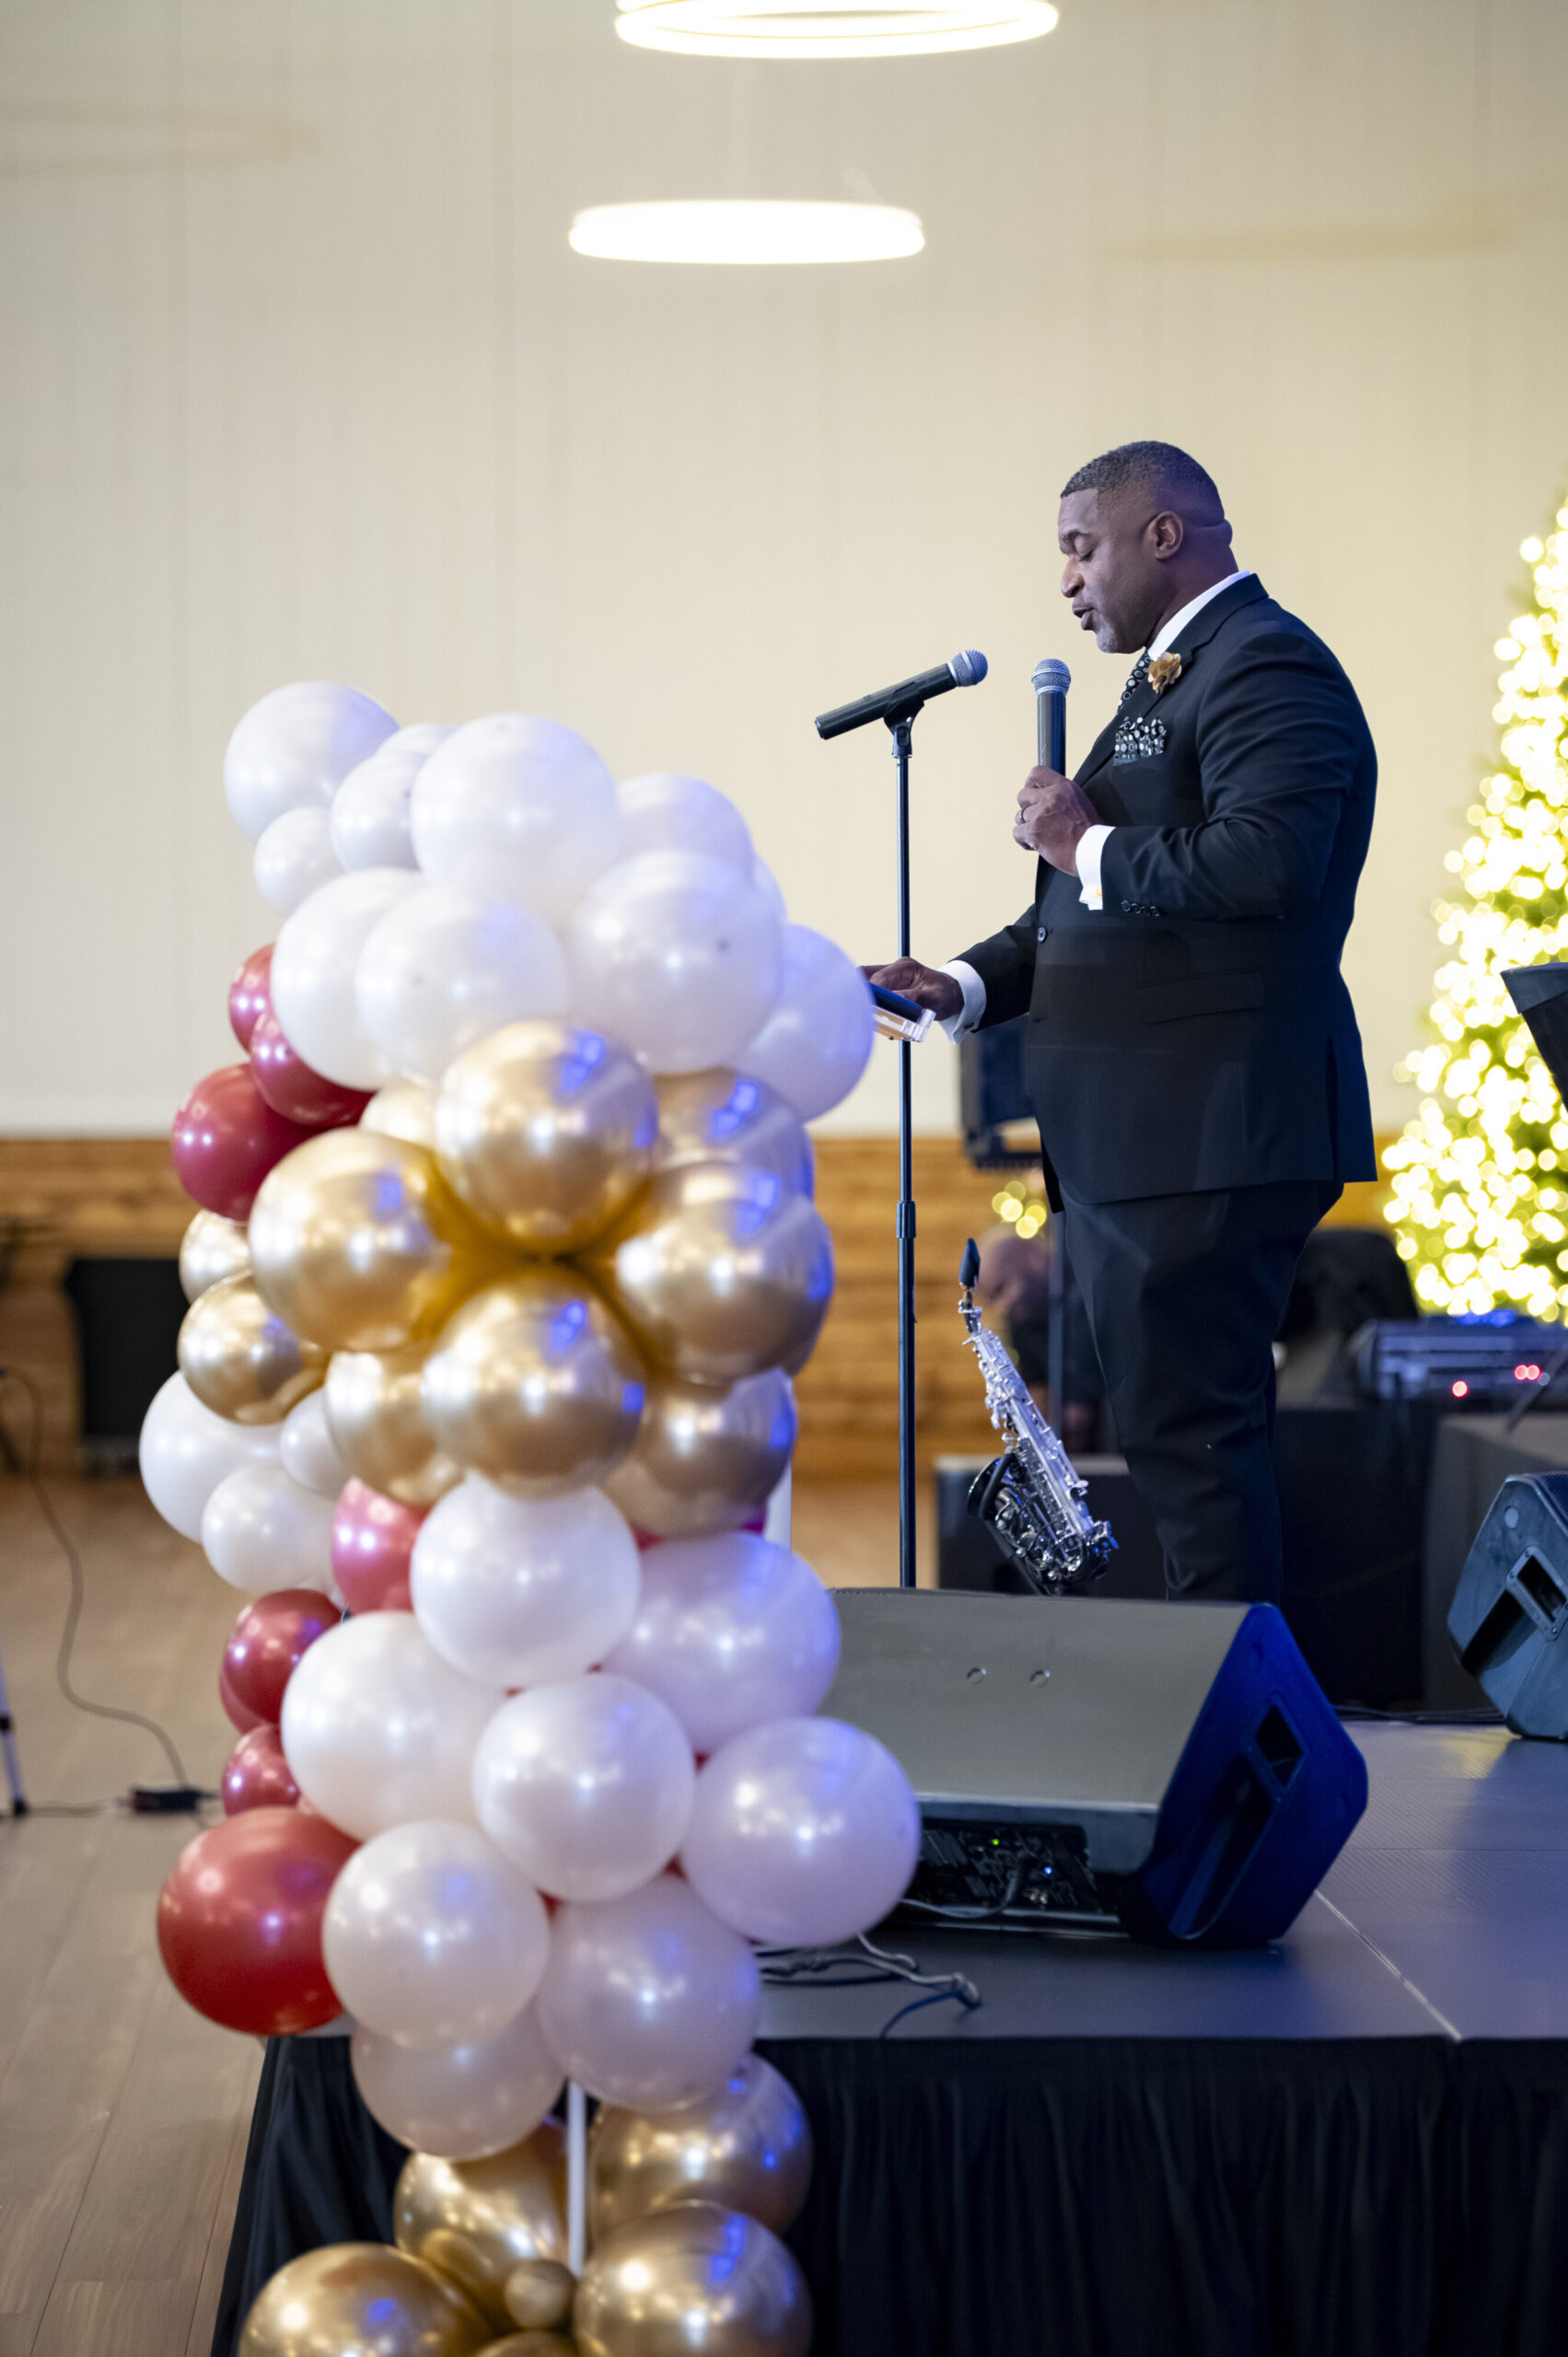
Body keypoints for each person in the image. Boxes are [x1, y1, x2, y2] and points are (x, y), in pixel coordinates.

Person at [868, 440, 1376, 1603]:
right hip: (1150, 1141)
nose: (1065, 579)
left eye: (1079, 547)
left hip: (1206, 1130)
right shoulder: (1175, 674)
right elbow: (1088, 916)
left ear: (1162, 535)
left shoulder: (1263, 661)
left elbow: (1267, 862)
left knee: (1194, 1458)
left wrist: (1081, 840)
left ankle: (1238, 1705)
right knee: (1177, 1451)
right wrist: (959, 982)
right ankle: (1227, 1686)